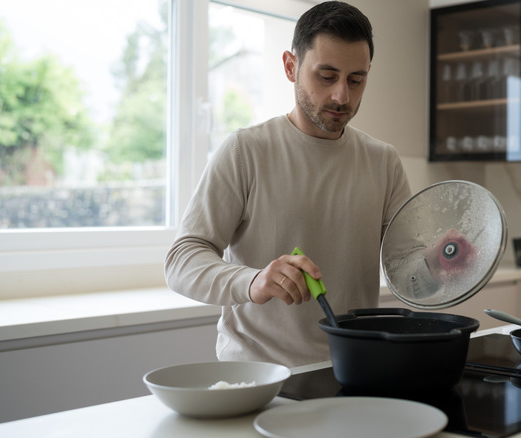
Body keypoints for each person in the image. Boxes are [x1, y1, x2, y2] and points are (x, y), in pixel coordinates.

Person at [164, 1, 411, 368]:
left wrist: (443, 258)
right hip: (257, 376)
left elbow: (409, 267)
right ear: (291, 66)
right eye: (326, 77)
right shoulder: (245, 151)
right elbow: (181, 260)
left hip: (352, 369)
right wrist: (253, 281)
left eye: (356, 79)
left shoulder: (383, 160)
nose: (342, 95)